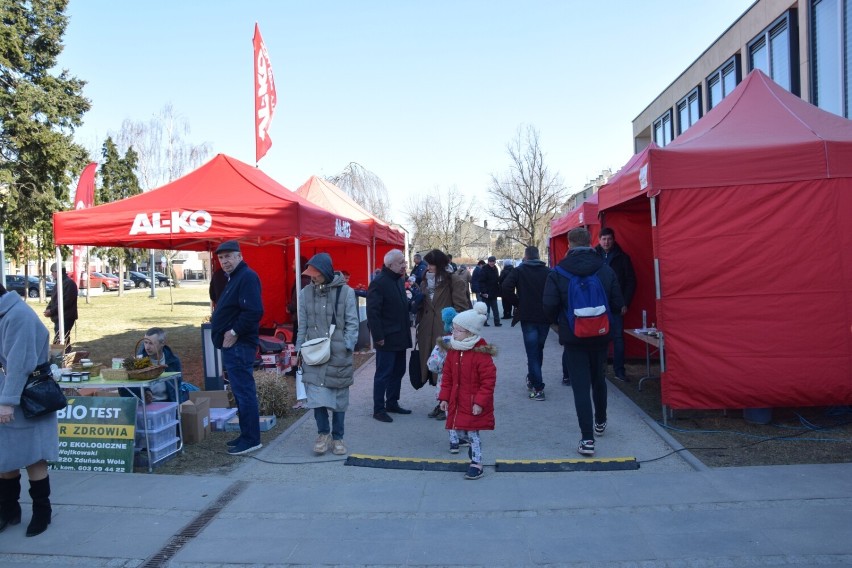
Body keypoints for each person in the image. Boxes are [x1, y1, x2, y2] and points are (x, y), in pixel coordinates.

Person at [543, 228, 624, 457]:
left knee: (580, 386)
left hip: (574, 336)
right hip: (600, 334)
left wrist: (560, 324)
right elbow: (618, 303)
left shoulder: (558, 272)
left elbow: (548, 306)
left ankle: (587, 439)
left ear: (569, 244)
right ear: (591, 243)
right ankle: (601, 420)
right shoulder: (605, 270)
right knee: (599, 378)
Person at [0, 283, 57, 537]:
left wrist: (6, 402)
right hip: (11, 393)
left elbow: (20, 363)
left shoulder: (17, 316)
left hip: (29, 396)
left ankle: (42, 513)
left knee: (34, 456)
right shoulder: (6, 313)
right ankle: (9, 510)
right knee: (5, 457)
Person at [296, 253, 359, 456]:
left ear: (326, 272)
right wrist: (299, 349)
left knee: (339, 396)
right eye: (310, 275)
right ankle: (323, 434)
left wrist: (347, 346)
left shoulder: (346, 292)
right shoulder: (305, 293)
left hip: (338, 352)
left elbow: (352, 323)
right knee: (316, 396)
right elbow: (302, 325)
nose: (312, 278)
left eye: (316, 274)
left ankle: (338, 437)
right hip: (314, 354)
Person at [210, 240, 264, 456]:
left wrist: (234, 332)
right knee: (241, 393)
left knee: (244, 392)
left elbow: (254, 311)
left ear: (239, 256)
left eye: (229, 256)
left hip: (239, 344)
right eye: (221, 258)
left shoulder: (247, 277)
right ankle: (246, 434)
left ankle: (252, 439)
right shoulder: (234, 278)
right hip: (233, 345)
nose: (224, 261)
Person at [438, 302, 496, 480]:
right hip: (457, 399)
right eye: (453, 329)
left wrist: (479, 402)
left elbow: (488, 380)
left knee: (473, 432)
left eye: (457, 330)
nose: (452, 332)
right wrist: (444, 397)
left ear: (470, 332)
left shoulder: (480, 352)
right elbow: (447, 376)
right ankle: (469, 444)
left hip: (472, 402)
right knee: (460, 428)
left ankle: (477, 463)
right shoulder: (454, 349)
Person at [413, 249, 471, 413]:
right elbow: (424, 304)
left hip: (446, 330)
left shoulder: (454, 280)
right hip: (427, 329)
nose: (428, 267)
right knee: (435, 367)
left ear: (439, 264)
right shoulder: (425, 280)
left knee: (448, 369)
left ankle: (447, 404)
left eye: (431, 264)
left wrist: (455, 328)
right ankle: (442, 402)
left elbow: (462, 307)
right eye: (427, 263)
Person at [367, 249, 416, 423]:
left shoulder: (398, 280)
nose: (405, 265)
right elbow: (373, 312)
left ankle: (392, 402)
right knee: (383, 373)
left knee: (398, 371)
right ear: (389, 265)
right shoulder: (379, 283)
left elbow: (402, 304)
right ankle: (378, 409)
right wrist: (378, 336)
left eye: (404, 262)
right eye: (401, 262)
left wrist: (413, 304)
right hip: (386, 337)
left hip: (401, 335)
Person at [501, 246, 551, 400]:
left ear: (526, 256)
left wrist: (518, 303)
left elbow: (505, 287)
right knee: (538, 349)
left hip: (528, 315)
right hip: (544, 315)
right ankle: (533, 378)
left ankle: (537, 387)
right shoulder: (548, 271)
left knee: (532, 352)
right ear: (538, 256)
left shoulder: (519, 271)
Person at [595, 227, 636, 382]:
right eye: (604, 239)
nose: (607, 242)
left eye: (609, 239)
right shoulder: (593, 256)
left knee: (618, 338)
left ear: (614, 240)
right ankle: (600, 370)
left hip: (616, 305)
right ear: (599, 240)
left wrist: (625, 302)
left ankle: (619, 371)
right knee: (599, 338)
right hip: (597, 306)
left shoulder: (623, 257)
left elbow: (631, 281)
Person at [119, 327, 184, 404]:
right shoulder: (138, 361)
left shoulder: (173, 361)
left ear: (162, 343)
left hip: (167, 403)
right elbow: (125, 387)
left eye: (151, 343)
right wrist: (145, 391)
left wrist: (177, 407)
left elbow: (177, 387)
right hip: (144, 404)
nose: (147, 347)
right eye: (145, 342)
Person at [426, 306, 458, 421]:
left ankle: (444, 407)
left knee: (443, 387)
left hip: (445, 371)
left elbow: (434, 361)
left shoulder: (444, 341)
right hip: (456, 370)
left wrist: (435, 367)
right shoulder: (461, 340)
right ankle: (444, 406)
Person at [43, 263, 78, 353]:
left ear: (58, 271)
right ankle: (66, 360)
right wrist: (48, 309)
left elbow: (66, 303)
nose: (52, 274)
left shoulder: (69, 284)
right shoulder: (59, 284)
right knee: (63, 340)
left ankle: (60, 361)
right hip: (59, 317)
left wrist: (51, 311)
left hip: (66, 316)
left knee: (60, 340)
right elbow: (54, 300)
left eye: (53, 272)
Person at [287, 255, 312, 349]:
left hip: (300, 318)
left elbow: (298, 301)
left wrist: (289, 307)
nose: (292, 266)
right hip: (301, 317)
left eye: (294, 264)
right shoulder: (305, 280)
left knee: (298, 342)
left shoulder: (302, 281)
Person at [477, 256, 502, 326]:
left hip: (493, 291)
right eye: (490, 261)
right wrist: (484, 292)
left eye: (493, 261)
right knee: (486, 309)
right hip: (486, 292)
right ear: (488, 262)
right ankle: (484, 322)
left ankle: (497, 322)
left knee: (495, 308)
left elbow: (497, 279)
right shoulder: (484, 269)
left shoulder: (495, 268)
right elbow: (481, 282)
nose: (492, 263)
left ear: (495, 262)